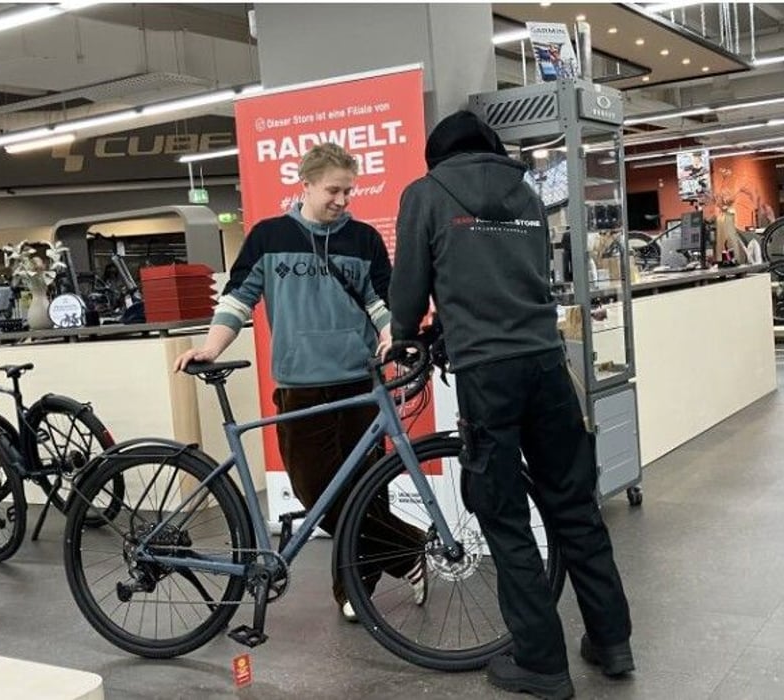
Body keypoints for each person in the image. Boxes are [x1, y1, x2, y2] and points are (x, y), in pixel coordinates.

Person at [389, 111, 633, 700]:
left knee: (504, 518)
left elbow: (410, 285)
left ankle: (541, 663)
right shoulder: (526, 192)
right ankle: (612, 641)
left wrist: (405, 335)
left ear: (437, 156)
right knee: (575, 506)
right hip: (548, 365)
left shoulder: (425, 193)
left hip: (486, 372)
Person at [173, 142, 427, 621]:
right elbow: (239, 299)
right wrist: (211, 347)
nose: (343, 200)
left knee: (365, 492)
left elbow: (381, 303)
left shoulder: (365, 239)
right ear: (305, 184)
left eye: (348, 191)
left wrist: (392, 331)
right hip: (299, 386)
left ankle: (355, 588)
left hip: (359, 384)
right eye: (334, 190)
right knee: (317, 496)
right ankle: (411, 551)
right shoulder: (268, 236)